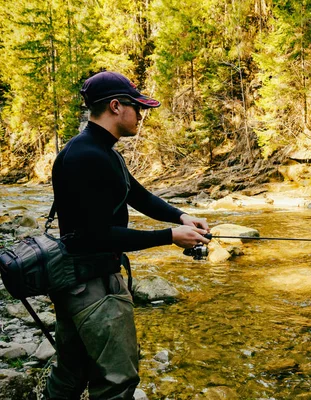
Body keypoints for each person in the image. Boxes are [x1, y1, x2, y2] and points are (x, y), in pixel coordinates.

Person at [44, 71, 210, 399]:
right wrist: (170, 236)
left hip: (77, 283)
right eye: (138, 108)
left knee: (71, 373)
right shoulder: (87, 156)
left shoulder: (100, 150)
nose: (141, 116)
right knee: (117, 381)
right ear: (117, 106)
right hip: (94, 289)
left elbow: (139, 195)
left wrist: (182, 216)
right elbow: (92, 236)